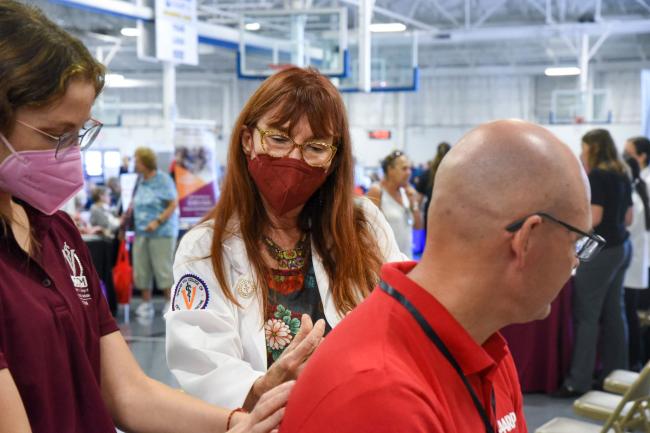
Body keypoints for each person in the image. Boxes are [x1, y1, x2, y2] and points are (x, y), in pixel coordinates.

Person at [0, 2, 305, 432]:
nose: (71, 155)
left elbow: (127, 391)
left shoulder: (58, 235)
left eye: (80, 134)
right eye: (56, 134)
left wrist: (239, 421)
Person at [279, 119, 597, 433]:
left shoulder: (486, 348)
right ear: (526, 241)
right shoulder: (378, 395)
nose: (577, 261)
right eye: (576, 242)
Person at [165, 67, 405, 411]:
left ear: (333, 158)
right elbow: (200, 358)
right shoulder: (206, 247)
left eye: (315, 147)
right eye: (278, 139)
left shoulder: (363, 224)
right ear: (248, 140)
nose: (295, 158)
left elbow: (402, 317)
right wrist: (263, 386)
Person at [556, 129, 633, 397]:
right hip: (623, 246)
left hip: (602, 250)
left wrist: (569, 231)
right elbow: (629, 217)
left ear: (594, 148)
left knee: (586, 316)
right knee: (614, 313)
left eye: (584, 146)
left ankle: (577, 381)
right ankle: (616, 376)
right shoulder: (623, 173)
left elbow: (595, 217)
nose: (582, 150)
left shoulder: (598, 176)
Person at [132, 146, 179, 318]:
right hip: (141, 232)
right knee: (141, 269)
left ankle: (169, 302)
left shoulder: (163, 179)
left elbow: (173, 204)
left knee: (163, 268)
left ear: (145, 162)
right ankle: (146, 303)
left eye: (136, 160)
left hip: (162, 232)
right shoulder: (140, 181)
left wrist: (157, 221)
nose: (134, 164)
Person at [367, 150, 423, 258]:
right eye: (404, 168)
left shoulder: (406, 193)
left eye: (410, 168)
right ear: (390, 170)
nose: (409, 172)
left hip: (406, 259)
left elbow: (418, 226)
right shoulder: (377, 191)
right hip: (385, 262)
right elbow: (367, 231)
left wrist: (414, 203)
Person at [622, 156, 650, 370]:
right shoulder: (639, 192)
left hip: (632, 267)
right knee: (630, 315)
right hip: (635, 265)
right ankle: (634, 360)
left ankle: (633, 362)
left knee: (630, 316)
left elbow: (626, 227)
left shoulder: (634, 196)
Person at [415, 141, 451, 232]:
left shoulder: (427, 174)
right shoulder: (454, 173)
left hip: (431, 215)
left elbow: (418, 200)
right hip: (450, 215)